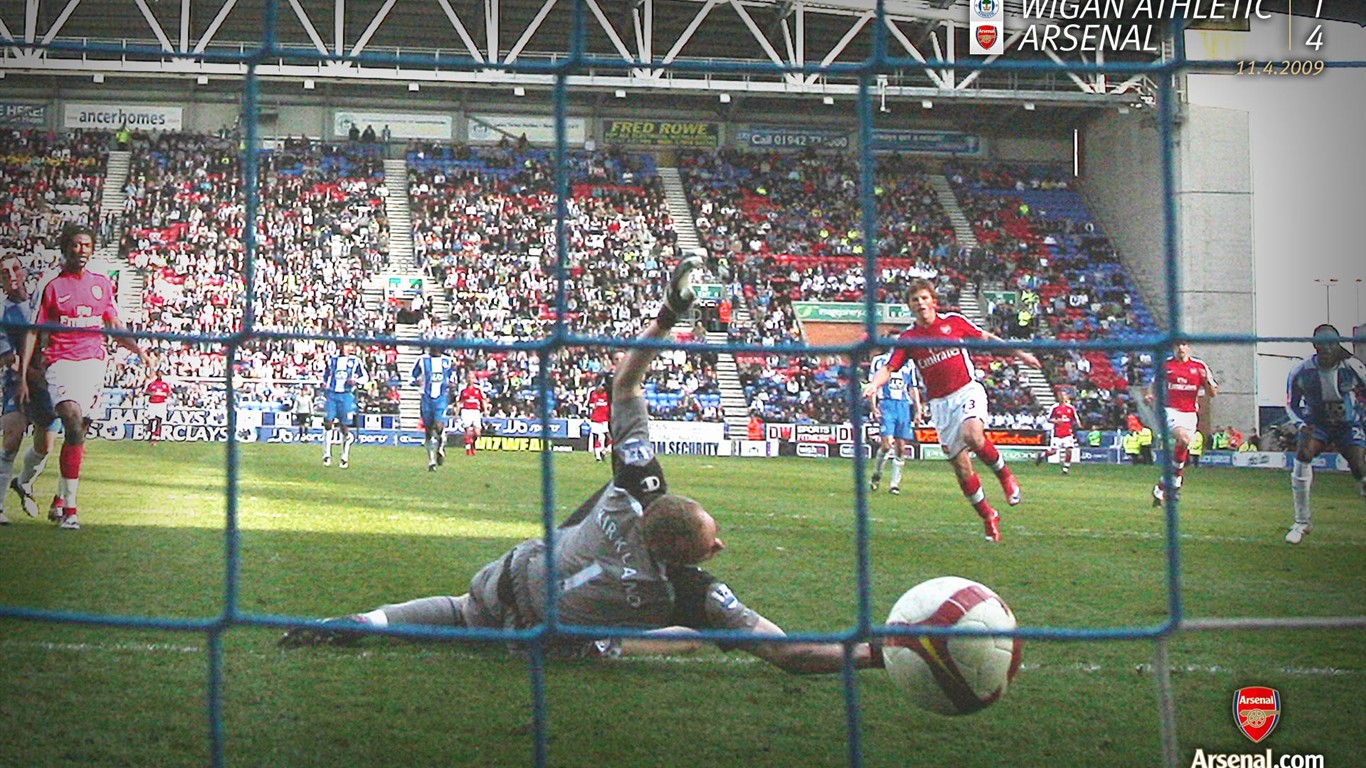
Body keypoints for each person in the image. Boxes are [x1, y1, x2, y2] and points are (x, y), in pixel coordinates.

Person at [278, 255, 888, 675]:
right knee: (666, 638)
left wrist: (667, 317)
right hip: (544, 642)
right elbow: (793, 655)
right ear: (681, 556)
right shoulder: (690, 592)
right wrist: (881, 655)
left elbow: (625, 384)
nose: (719, 544)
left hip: (507, 579)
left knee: (463, 610)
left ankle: (363, 621)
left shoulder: (635, 490)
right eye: (710, 542)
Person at [862, 279, 1041, 542]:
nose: (920, 303)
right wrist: (874, 385)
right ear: (910, 307)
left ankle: (1005, 477)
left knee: (973, 435)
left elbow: (986, 338)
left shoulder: (954, 322)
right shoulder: (908, 339)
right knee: (961, 467)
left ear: (933, 301)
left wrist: (1021, 355)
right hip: (940, 405)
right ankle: (988, 515)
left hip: (967, 390)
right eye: (915, 300)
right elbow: (889, 368)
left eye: (924, 298)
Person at [17, 223, 149, 530]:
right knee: (72, 419)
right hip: (60, 362)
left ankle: (59, 499)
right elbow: (33, 331)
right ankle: (71, 510)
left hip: (94, 364)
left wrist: (139, 350)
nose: (81, 251)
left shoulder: (101, 284)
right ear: (65, 248)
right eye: (76, 245)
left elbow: (114, 325)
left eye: (86, 245)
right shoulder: (51, 284)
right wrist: (23, 376)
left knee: (78, 433)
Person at [1283, 324, 1366, 544]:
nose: (1328, 348)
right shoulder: (1301, 370)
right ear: (1315, 346)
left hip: (1348, 424)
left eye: (1332, 344)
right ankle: (1302, 522)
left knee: (1358, 466)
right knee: (1303, 454)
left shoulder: (1353, 366)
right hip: (1317, 424)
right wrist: (1301, 424)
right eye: (1323, 344)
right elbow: (1291, 403)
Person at [0, 255, 56, 524]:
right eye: (4, 272)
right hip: (17, 382)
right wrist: (30, 375)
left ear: (24, 272)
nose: (11, 275)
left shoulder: (39, 301)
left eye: (15, 269)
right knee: (12, 438)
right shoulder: (3, 312)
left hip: (45, 382)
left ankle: (23, 483)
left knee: (44, 446)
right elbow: (7, 358)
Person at [1144, 341, 1217, 506]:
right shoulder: (1166, 365)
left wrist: (1207, 382)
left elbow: (1212, 393)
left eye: (1184, 345)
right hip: (1171, 410)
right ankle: (1175, 485)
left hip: (1190, 413)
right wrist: (1149, 395)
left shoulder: (1199, 366)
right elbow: (1153, 383)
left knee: (1183, 446)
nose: (1181, 349)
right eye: (1177, 346)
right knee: (1183, 439)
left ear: (1189, 347)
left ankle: (1161, 487)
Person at [867, 347, 924, 495]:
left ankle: (894, 484)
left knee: (900, 447)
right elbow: (873, 384)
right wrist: (874, 407)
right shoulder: (879, 361)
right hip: (887, 404)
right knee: (886, 445)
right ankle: (877, 474)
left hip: (903, 406)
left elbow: (912, 388)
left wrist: (917, 410)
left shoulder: (909, 363)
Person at [319, 343, 368, 469]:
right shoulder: (332, 360)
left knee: (344, 426)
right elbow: (326, 375)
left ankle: (344, 455)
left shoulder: (355, 361)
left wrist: (355, 381)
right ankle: (326, 455)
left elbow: (365, 377)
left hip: (346, 395)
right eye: (345, 345)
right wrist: (324, 383)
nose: (347, 348)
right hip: (332, 394)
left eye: (349, 346)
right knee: (328, 422)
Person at [411, 345, 457, 471]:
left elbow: (453, 377)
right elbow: (412, 376)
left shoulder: (448, 361)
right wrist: (415, 382)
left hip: (440, 398)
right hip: (426, 398)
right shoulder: (422, 360)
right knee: (428, 430)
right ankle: (431, 461)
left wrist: (452, 384)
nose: (435, 350)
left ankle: (440, 448)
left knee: (438, 425)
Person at [1034, 391, 1082, 475]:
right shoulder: (1055, 407)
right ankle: (1042, 455)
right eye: (1061, 395)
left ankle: (1065, 470)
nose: (1062, 397)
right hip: (1057, 433)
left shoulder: (1071, 408)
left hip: (1067, 433)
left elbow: (1076, 418)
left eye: (1064, 395)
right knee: (1053, 451)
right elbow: (1048, 419)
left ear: (1067, 397)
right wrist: (1056, 421)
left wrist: (1079, 424)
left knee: (1069, 450)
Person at [456, 376, 488, 456]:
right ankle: (468, 448)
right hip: (466, 411)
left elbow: (483, 400)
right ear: (467, 380)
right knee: (467, 430)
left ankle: (473, 444)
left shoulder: (478, 390)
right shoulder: (463, 391)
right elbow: (459, 402)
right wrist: (457, 413)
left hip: (475, 411)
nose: (471, 380)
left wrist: (485, 410)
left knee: (477, 432)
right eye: (469, 378)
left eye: (472, 378)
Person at [143, 371, 172, 445]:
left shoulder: (165, 384)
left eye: (161, 374)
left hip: (161, 404)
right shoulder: (152, 384)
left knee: (159, 420)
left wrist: (165, 395)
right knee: (151, 420)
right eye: (158, 374)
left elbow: (169, 393)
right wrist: (151, 393)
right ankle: (150, 433)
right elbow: (146, 392)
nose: (160, 376)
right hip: (152, 403)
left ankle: (156, 435)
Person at [587, 380, 611, 462]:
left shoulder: (607, 395)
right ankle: (598, 456)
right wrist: (592, 406)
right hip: (595, 419)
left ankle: (603, 451)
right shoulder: (593, 394)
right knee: (597, 437)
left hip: (604, 419)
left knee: (605, 436)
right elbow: (590, 403)